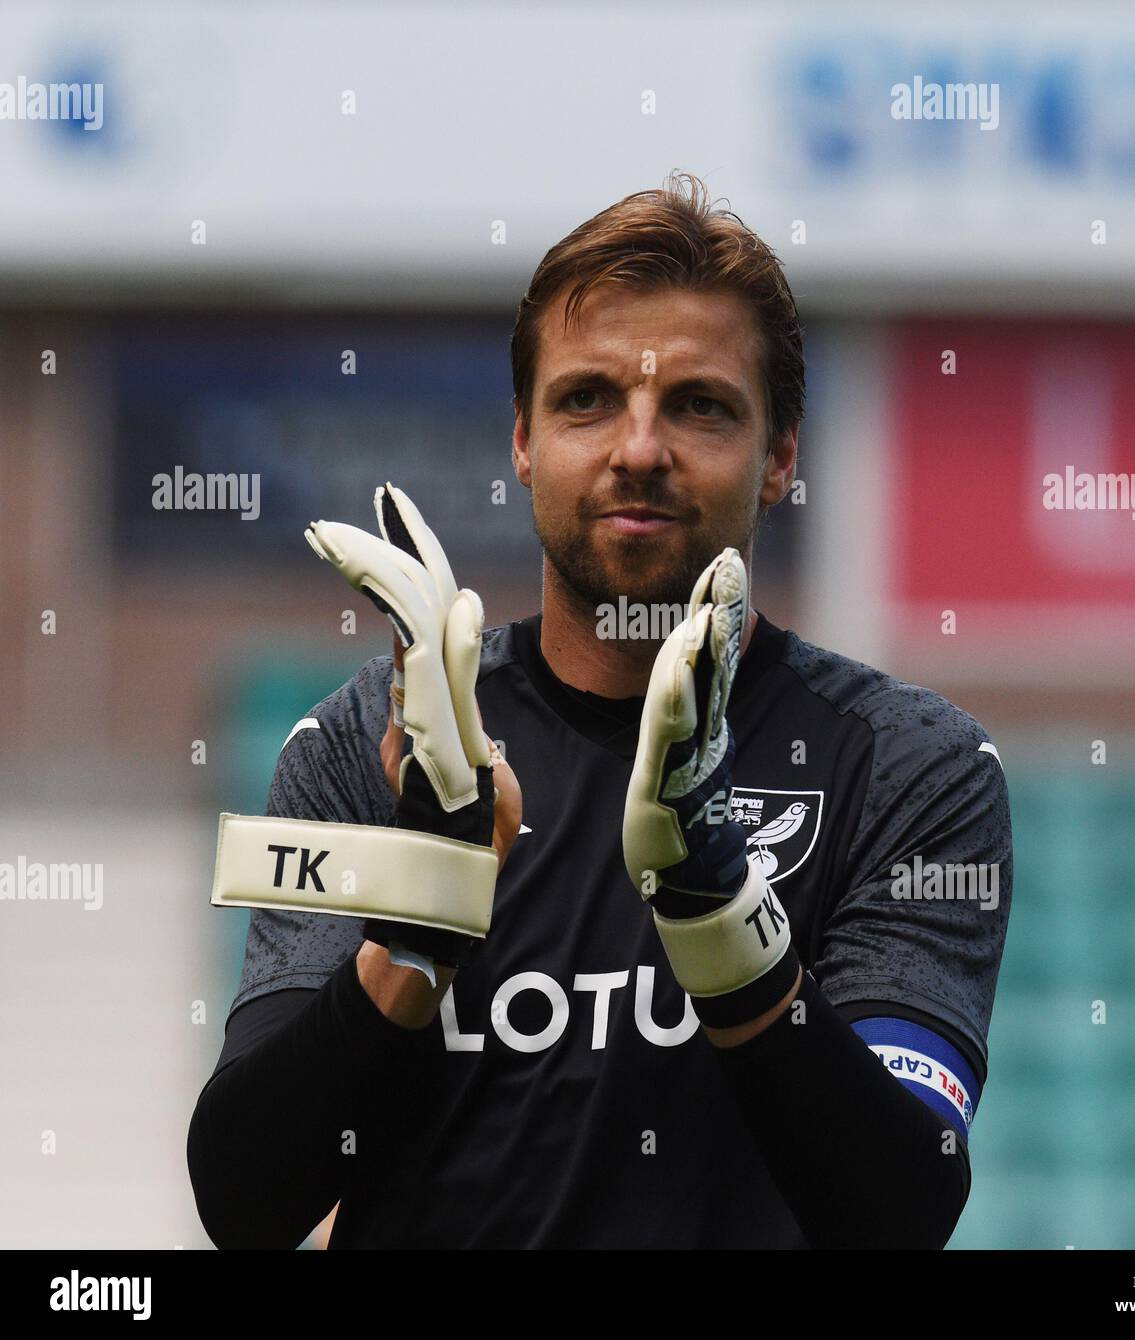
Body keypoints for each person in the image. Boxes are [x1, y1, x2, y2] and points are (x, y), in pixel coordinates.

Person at [187, 171, 1013, 1249]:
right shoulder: (368, 742)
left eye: (698, 405)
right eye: (587, 399)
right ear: (523, 442)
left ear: (780, 457)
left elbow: (897, 1209)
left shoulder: (910, 766)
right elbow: (246, 1202)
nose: (638, 448)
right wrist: (418, 923)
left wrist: (719, 910)